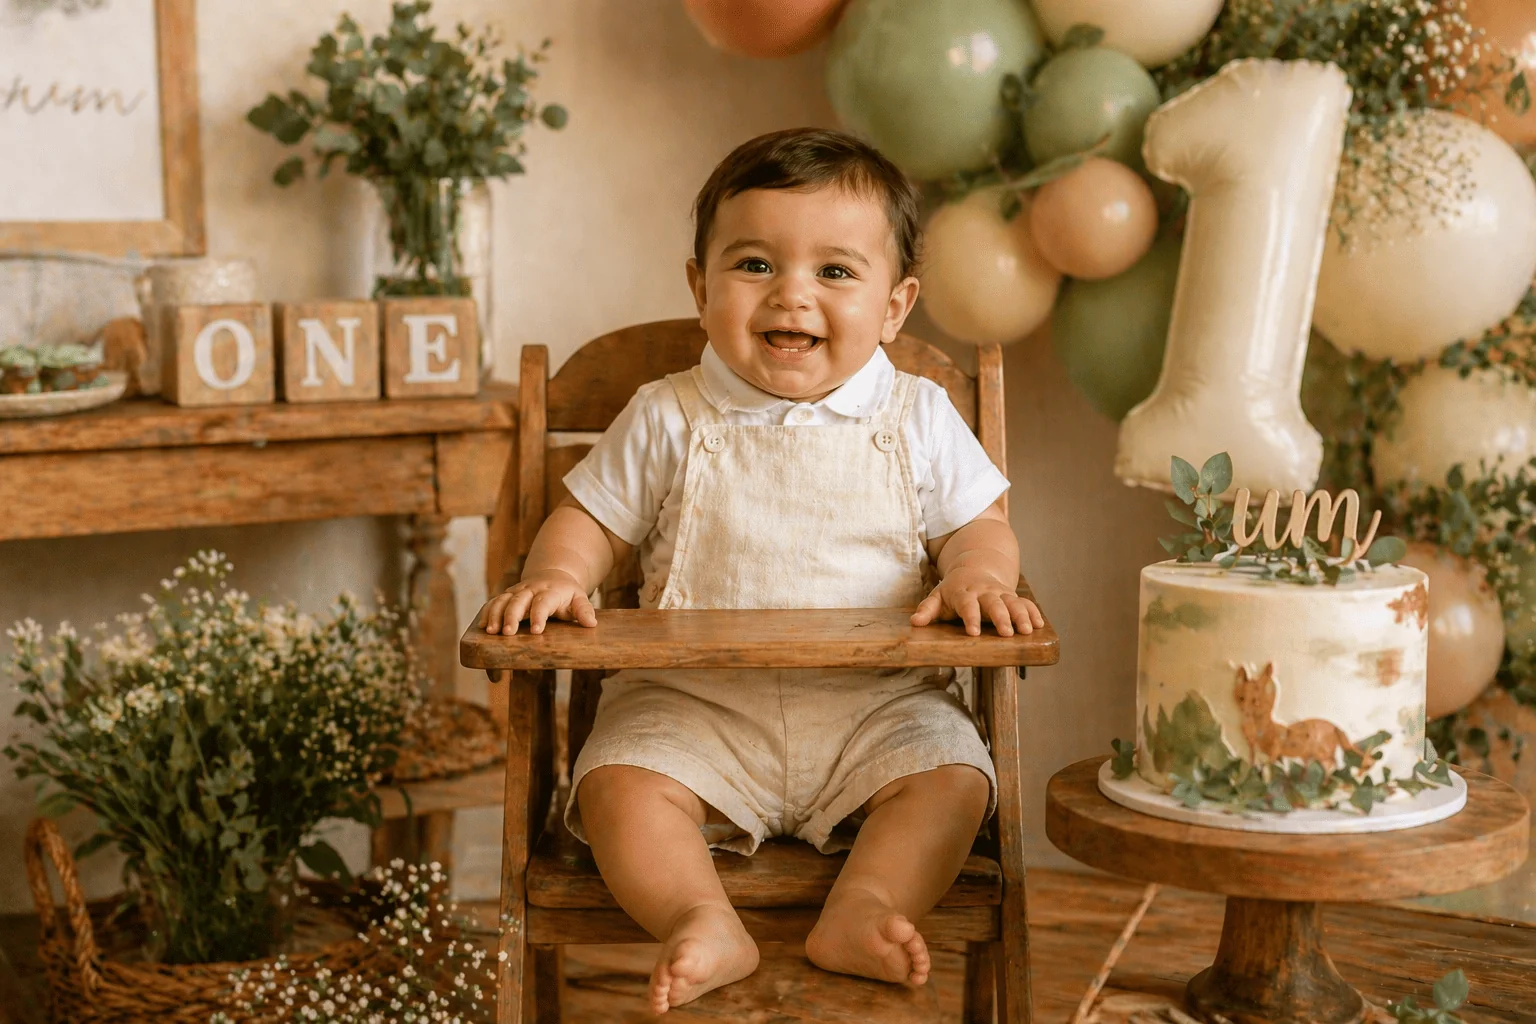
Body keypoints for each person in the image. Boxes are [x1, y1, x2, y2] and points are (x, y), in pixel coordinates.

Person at [482, 127, 1043, 1014]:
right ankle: (699, 916)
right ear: (700, 287)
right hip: (691, 709)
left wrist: (978, 575)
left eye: (835, 271)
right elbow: (590, 519)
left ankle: (867, 904)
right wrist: (558, 573)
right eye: (754, 265)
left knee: (955, 778)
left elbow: (981, 525)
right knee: (617, 784)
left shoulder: (919, 415)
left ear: (895, 306)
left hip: (878, 709)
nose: (792, 294)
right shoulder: (668, 414)